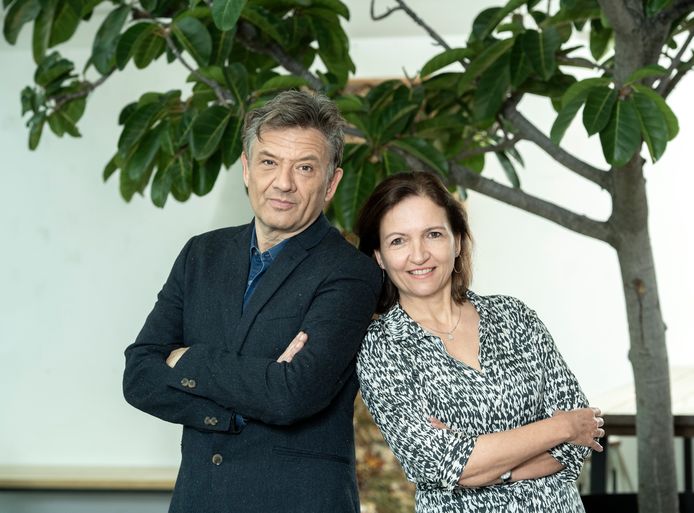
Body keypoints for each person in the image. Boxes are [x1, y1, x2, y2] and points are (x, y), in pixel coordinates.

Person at [123, 90, 382, 513]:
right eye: (269, 162)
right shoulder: (201, 255)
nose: (284, 182)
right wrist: (233, 411)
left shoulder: (350, 272)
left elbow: (292, 395)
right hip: (198, 501)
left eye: (304, 167)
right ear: (246, 169)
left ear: (331, 182)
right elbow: (139, 375)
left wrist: (188, 359)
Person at [354, 171, 604, 513]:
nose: (419, 254)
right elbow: (438, 463)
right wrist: (560, 426)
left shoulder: (515, 318)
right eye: (398, 241)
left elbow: (580, 441)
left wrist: (478, 464)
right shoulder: (382, 348)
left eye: (433, 234)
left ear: (457, 241)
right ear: (379, 256)